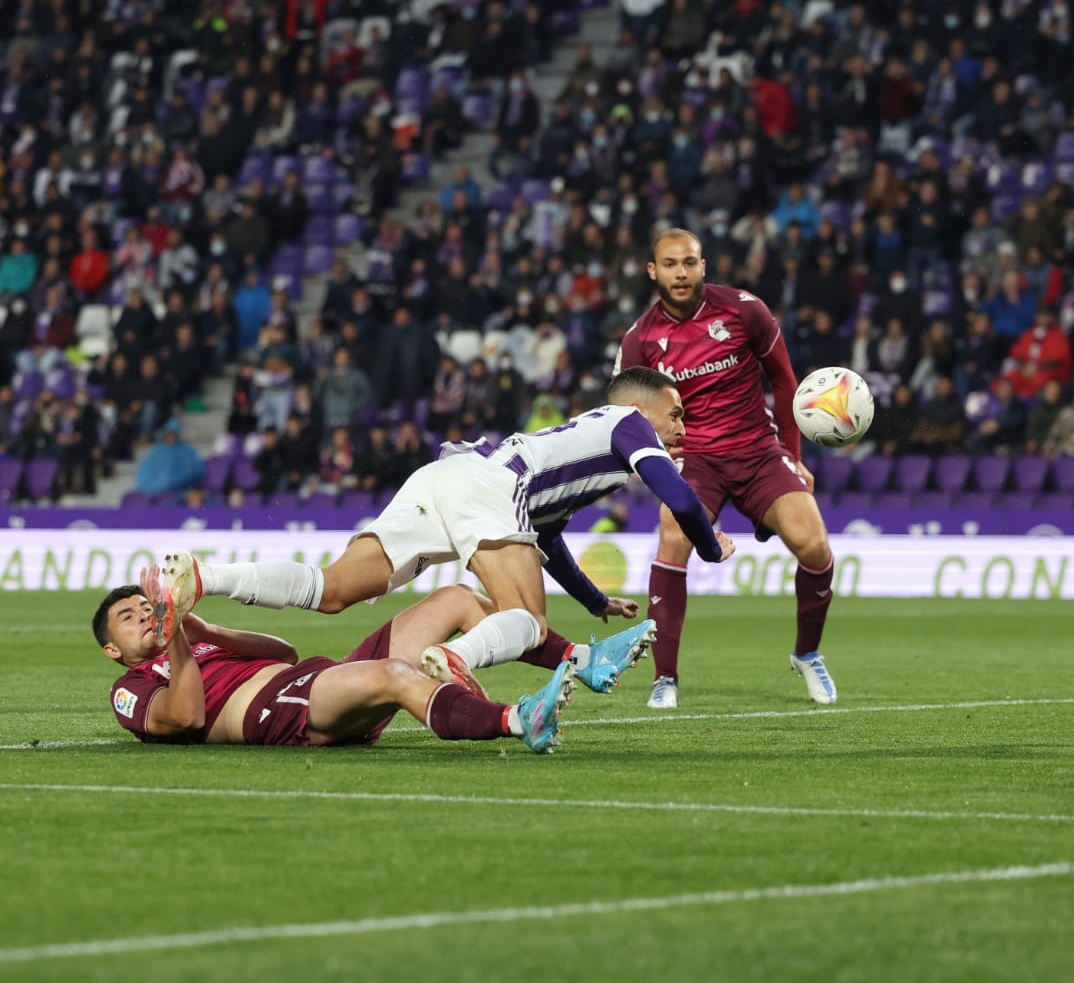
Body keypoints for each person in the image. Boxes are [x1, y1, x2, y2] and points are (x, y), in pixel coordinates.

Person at [160, 367, 736, 701]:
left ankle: (203, 576)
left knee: (333, 590)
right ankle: (452, 656)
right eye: (677, 413)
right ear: (641, 406)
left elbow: (547, 539)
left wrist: (592, 599)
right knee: (528, 622)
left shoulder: (585, 450)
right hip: (487, 485)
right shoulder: (629, 424)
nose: (682, 427)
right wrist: (712, 546)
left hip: (444, 476)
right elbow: (681, 498)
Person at [615, 228, 836, 709]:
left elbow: (783, 378)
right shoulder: (641, 340)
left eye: (689, 263)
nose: (680, 273)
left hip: (758, 450)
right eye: (670, 264)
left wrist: (793, 455)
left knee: (815, 544)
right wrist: (657, 459)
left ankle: (807, 653)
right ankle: (665, 677)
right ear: (652, 271)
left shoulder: (744, 310)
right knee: (672, 537)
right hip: (697, 462)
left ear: (703, 266)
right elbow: (625, 412)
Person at [96, 567, 573, 754]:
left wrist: (206, 630)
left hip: (315, 677)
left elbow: (284, 654)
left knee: (454, 597)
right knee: (395, 675)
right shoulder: (132, 687)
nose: (143, 614)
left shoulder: (194, 643)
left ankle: (576, 659)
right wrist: (178, 633)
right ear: (111, 649)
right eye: (127, 615)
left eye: (145, 605)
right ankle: (516, 721)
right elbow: (186, 716)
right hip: (283, 710)